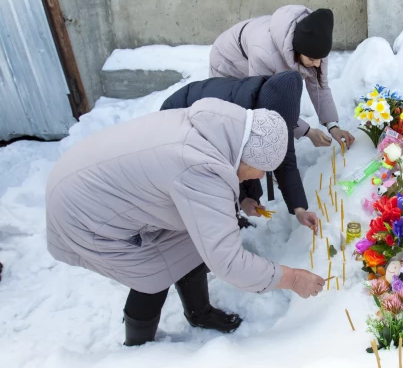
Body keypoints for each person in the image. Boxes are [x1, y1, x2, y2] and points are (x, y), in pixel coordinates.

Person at [46, 99, 325, 346]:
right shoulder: (201, 168)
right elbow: (229, 263)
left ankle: (199, 313)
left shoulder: (220, 127)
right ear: (249, 156)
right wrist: (293, 278)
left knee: (192, 241)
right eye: (260, 171)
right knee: (153, 273)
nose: (255, 178)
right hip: (83, 212)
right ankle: (137, 349)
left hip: (83, 176)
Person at [160, 71, 317, 230]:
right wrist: (240, 199)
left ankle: (235, 214)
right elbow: (224, 165)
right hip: (177, 121)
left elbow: (285, 160)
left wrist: (300, 210)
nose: (263, 174)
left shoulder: (277, 121)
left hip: (219, 129)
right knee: (213, 189)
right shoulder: (231, 114)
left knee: (250, 173)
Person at [209, 5, 355, 148]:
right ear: (297, 51)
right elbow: (265, 101)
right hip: (228, 61)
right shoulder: (264, 53)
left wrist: (332, 125)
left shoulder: (316, 48)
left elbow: (319, 87)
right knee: (237, 117)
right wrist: (307, 132)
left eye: (320, 59)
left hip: (256, 49)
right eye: (312, 60)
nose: (317, 64)